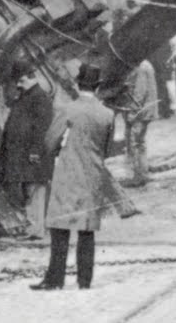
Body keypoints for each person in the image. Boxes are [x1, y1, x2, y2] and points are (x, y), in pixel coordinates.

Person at [32, 63, 117, 291]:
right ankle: (84, 281)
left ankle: (55, 280)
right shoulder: (107, 114)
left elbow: (50, 142)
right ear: (97, 87)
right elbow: (108, 149)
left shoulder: (67, 110)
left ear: (78, 85)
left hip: (68, 174)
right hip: (93, 176)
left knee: (60, 229)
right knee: (87, 230)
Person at [0, 65, 55, 236]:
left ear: (26, 78)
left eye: (20, 81)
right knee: (29, 190)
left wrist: (35, 152)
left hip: (32, 155)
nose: (18, 85)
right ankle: (33, 227)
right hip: (24, 154)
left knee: (35, 190)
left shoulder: (39, 97)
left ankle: (36, 230)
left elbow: (42, 128)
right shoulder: (28, 95)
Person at [113, 57, 158, 188]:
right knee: (140, 143)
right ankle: (142, 173)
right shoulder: (145, 65)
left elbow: (139, 92)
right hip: (145, 110)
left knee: (135, 143)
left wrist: (133, 113)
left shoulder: (141, 68)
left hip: (140, 112)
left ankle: (139, 176)